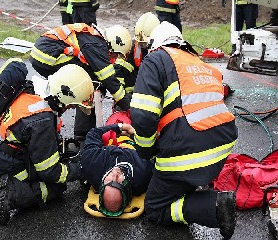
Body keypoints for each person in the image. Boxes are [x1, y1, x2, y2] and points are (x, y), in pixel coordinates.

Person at [130, 21, 238, 239]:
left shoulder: (156, 59)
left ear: (155, 44)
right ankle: (192, 185)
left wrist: (145, 151)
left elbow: (143, 115)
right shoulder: (201, 65)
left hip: (190, 152)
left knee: (155, 208)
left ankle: (215, 206)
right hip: (221, 147)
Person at [0, 63, 94, 226]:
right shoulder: (42, 120)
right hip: (3, 166)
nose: (70, 109)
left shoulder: (34, 90)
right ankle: (12, 195)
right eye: (72, 105)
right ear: (64, 97)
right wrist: (80, 170)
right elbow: (50, 172)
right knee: (55, 188)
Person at [29, 23, 132, 145]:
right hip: (47, 56)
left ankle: (75, 132)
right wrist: (128, 106)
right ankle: (83, 137)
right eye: (115, 54)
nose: (114, 58)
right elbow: (109, 79)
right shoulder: (96, 45)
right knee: (89, 84)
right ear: (112, 44)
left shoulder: (93, 39)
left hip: (43, 55)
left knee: (82, 87)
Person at [80, 119, 153, 216]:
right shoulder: (143, 173)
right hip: (136, 140)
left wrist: (119, 127)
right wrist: (134, 135)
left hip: (111, 137)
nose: (115, 174)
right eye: (119, 182)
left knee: (110, 127)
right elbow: (156, 148)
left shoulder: (92, 165)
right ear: (127, 188)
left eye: (109, 181)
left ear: (102, 184)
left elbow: (93, 133)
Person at [114, 12, 160, 99]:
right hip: (133, 93)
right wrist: (121, 97)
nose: (142, 46)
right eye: (140, 43)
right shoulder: (132, 48)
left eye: (145, 43)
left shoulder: (162, 52)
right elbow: (119, 69)